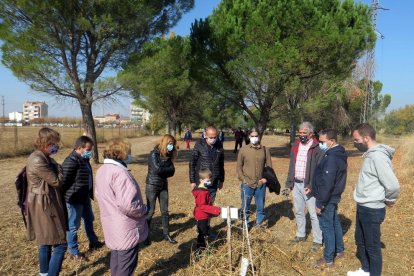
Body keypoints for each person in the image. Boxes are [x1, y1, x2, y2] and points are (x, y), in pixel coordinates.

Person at [347, 123, 400, 276]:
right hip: (363, 206)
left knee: (372, 246)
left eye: (356, 140)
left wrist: (390, 199)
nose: (355, 143)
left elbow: (393, 184)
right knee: (361, 240)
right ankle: (365, 270)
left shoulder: (378, 156)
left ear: (366, 138)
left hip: (372, 209)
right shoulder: (371, 154)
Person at [95, 139, 148, 276]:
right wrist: (143, 209)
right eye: (128, 152)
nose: (130, 155)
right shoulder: (120, 173)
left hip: (111, 223)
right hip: (125, 226)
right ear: (122, 153)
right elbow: (128, 205)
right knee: (126, 264)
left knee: (117, 260)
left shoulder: (102, 170)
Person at [26, 127, 67, 276]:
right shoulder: (38, 159)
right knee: (60, 244)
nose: (56, 146)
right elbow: (56, 181)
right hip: (45, 204)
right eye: (54, 143)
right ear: (45, 142)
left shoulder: (42, 157)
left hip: (42, 201)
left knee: (45, 241)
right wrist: (59, 167)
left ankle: (43, 273)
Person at [282, 122, 323, 251]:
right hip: (296, 184)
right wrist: (289, 183)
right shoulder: (295, 145)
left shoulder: (317, 148)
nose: (302, 135)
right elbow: (291, 166)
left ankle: (317, 240)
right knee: (299, 211)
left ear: (311, 134)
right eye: (300, 133)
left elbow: (319, 169)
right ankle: (300, 234)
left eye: (304, 133)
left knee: (313, 214)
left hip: (309, 186)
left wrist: (311, 185)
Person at [62, 136, 103, 261]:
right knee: (73, 226)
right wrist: (67, 198)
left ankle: (93, 241)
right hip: (74, 199)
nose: (90, 152)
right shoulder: (71, 161)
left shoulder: (83, 159)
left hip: (84, 196)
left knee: (89, 219)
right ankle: (74, 251)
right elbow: (62, 182)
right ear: (79, 148)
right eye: (88, 149)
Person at [310, 129, 347, 268]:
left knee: (327, 227)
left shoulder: (331, 157)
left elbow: (327, 182)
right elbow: (325, 178)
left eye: (322, 142)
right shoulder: (337, 153)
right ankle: (340, 250)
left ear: (332, 141)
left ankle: (328, 258)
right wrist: (313, 187)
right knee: (334, 222)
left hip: (327, 197)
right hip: (333, 196)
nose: (320, 144)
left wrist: (320, 202)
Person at [190, 126, 225, 237]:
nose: (213, 139)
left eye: (215, 137)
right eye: (211, 137)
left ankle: (207, 228)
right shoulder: (199, 145)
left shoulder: (219, 145)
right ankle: (200, 230)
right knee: (202, 207)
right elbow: (192, 163)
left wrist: (221, 179)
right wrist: (192, 181)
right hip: (202, 182)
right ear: (205, 135)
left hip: (214, 181)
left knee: (210, 206)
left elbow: (221, 164)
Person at [145, 134, 177, 245]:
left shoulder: (168, 155)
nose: (171, 146)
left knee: (165, 211)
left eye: (173, 144)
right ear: (164, 143)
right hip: (152, 185)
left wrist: (166, 169)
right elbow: (157, 169)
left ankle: (166, 234)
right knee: (150, 211)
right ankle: (145, 236)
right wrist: (166, 169)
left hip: (164, 186)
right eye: (170, 143)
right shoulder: (154, 154)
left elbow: (172, 171)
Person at [237, 128, 272, 228]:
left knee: (260, 206)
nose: (254, 138)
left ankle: (259, 224)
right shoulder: (243, 150)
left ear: (259, 136)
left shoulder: (265, 150)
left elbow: (269, 167)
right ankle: (245, 224)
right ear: (249, 137)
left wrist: (266, 179)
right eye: (252, 136)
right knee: (245, 206)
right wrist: (243, 179)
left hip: (260, 184)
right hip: (247, 183)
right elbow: (239, 167)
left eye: (256, 136)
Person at [192, 168, 221, 252]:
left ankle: (203, 247)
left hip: (203, 215)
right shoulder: (201, 192)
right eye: (208, 180)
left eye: (210, 179)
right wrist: (216, 210)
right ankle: (201, 249)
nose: (210, 181)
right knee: (202, 233)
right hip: (201, 216)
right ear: (201, 180)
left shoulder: (204, 190)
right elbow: (203, 206)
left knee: (203, 232)